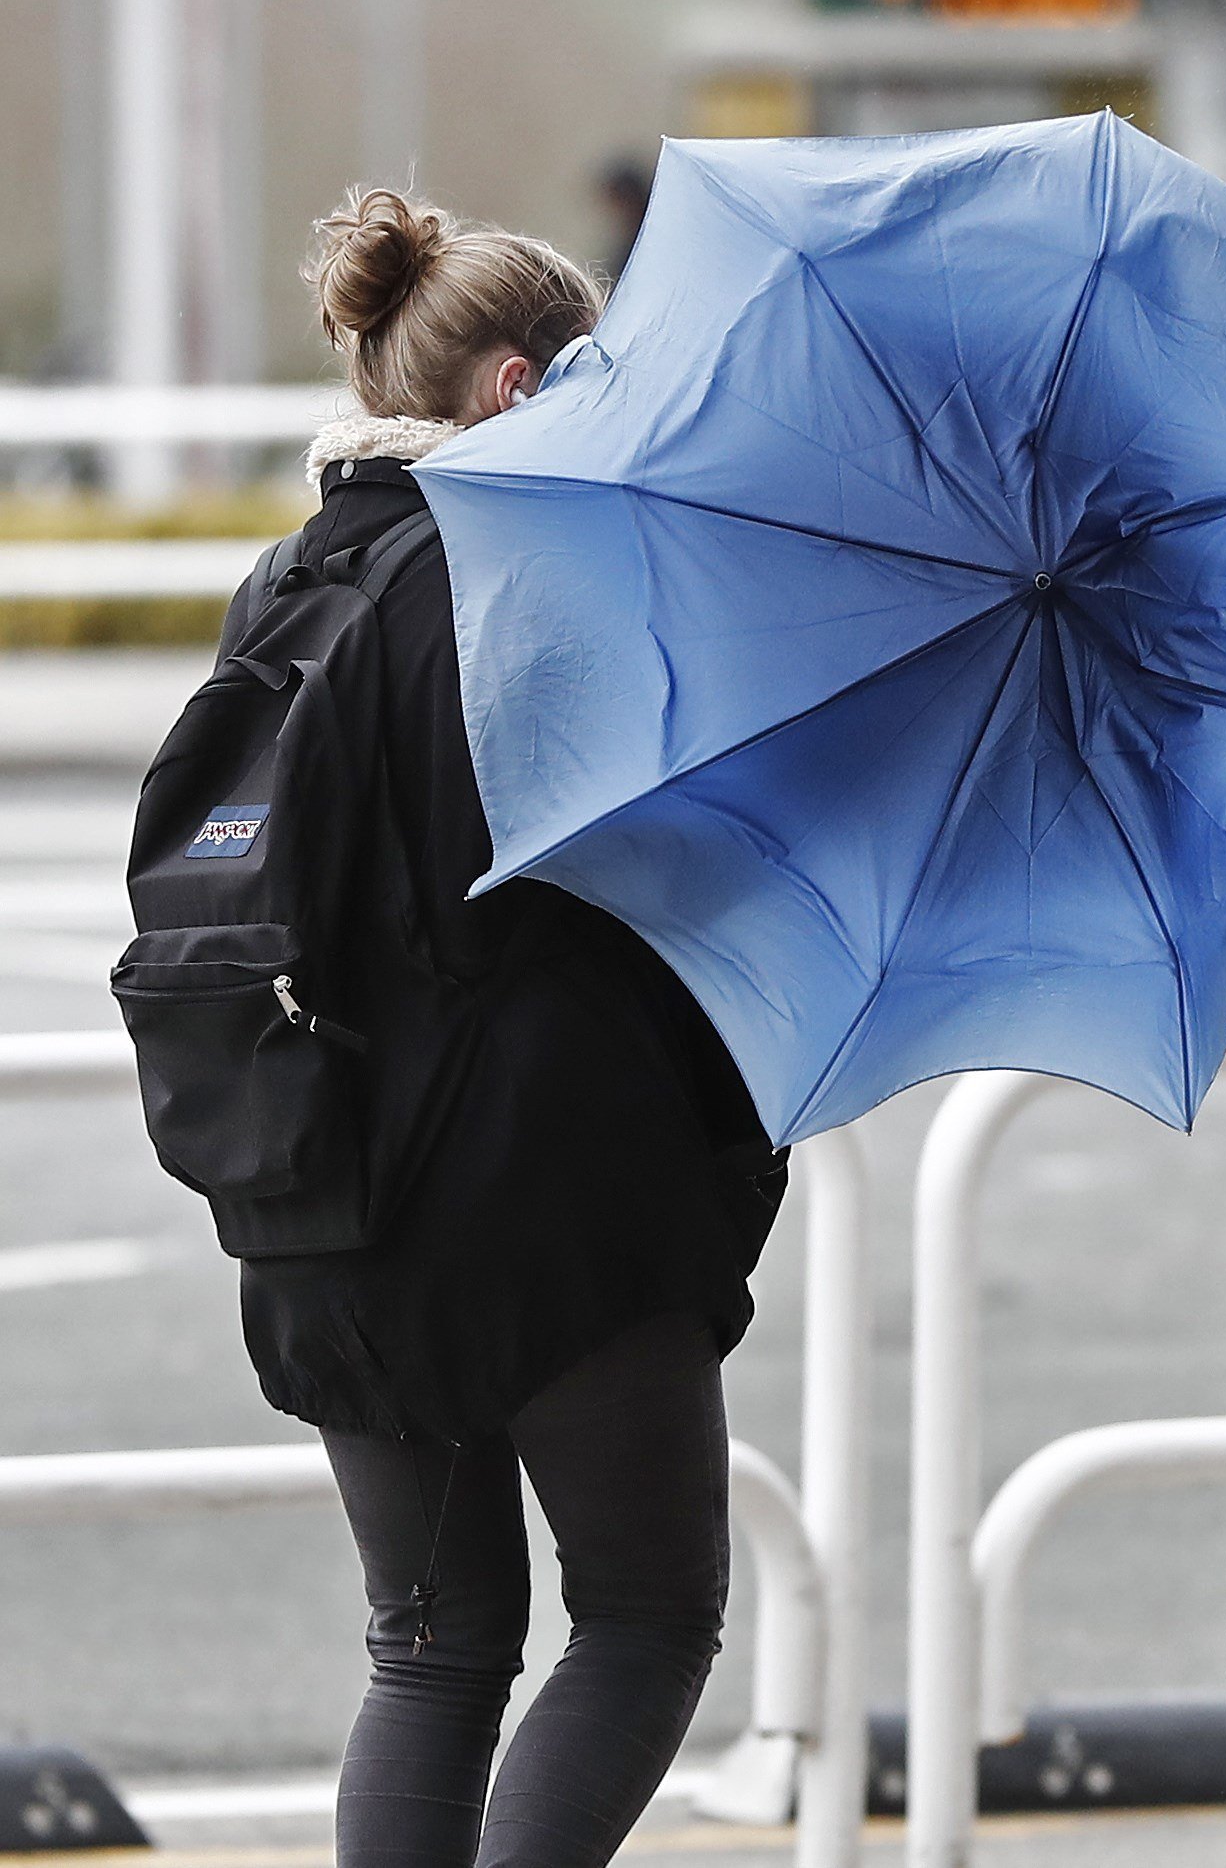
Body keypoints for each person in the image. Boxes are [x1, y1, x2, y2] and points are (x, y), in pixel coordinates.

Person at [234, 187, 786, 1868]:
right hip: (548, 1193)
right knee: (643, 1615)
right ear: (518, 390)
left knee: (434, 1644)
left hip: (323, 1185)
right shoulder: (534, 576)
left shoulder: (295, 580)